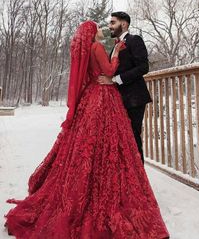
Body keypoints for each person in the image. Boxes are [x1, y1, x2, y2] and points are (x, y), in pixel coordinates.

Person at [5, 21, 169, 239]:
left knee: (89, 142)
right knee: (109, 140)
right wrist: (116, 54)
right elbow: (109, 70)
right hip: (103, 97)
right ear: (93, 33)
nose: (102, 28)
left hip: (91, 97)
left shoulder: (90, 49)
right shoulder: (97, 47)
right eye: (98, 27)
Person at [98, 12, 151, 163]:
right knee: (122, 140)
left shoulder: (134, 40)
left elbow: (143, 67)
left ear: (124, 24)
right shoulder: (114, 45)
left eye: (113, 23)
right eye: (109, 23)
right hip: (118, 99)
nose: (110, 26)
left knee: (133, 138)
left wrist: (115, 80)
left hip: (134, 99)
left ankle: (140, 180)